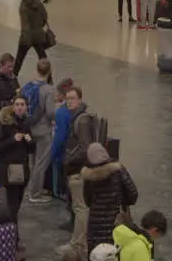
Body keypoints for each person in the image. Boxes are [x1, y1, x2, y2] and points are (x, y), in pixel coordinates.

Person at [60, 85, 99, 255]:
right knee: (80, 208)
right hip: (77, 169)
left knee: (80, 208)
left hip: (78, 171)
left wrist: (69, 160)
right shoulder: (79, 117)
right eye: (67, 98)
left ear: (80, 100)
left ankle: (77, 244)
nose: (69, 102)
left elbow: (85, 149)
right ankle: (79, 242)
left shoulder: (81, 120)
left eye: (72, 98)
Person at [82, 142, 138, 252]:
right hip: (116, 225)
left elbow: (87, 201)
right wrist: (124, 202)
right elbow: (133, 194)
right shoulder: (119, 170)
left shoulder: (88, 176)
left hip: (95, 229)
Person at [0, 97, 35, 221]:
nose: (19, 107)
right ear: (13, 107)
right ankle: (12, 233)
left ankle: (12, 230)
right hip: (9, 168)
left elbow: (31, 150)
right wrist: (12, 140)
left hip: (23, 168)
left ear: (26, 107)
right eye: (17, 105)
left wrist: (30, 142)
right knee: (12, 203)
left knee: (18, 201)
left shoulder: (26, 123)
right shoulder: (5, 124)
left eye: (22, 105)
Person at [23, 59, 56, 203]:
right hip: (43, 130)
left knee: (32, 161)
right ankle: (35, 194)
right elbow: (50, 112)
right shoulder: (48, 89)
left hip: (29, 128)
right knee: (41, 162)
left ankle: (30, 188)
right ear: (49, 72)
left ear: (37, 70)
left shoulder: (28, 86)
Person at [16, 0, 51, 73]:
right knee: (43, 58)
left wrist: (25, 38)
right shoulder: (38, 3)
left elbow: (25, 25)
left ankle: (12, 78)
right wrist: (39, 26)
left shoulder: (23, 7)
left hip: (27, 37)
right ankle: (49, 79)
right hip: (39, 35)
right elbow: (45, 15)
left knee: (19, 59)